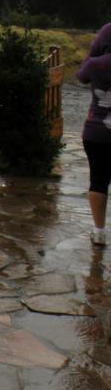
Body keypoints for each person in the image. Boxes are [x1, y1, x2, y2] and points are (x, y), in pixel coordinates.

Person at [76, 22, 111, 245]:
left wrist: (92, 53)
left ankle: (99, 232)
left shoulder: (95, 64)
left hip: (96, 131)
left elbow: (80, 76)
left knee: (98, 181)